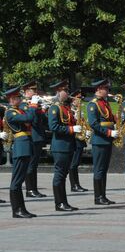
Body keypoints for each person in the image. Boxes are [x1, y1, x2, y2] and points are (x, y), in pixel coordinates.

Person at [4, 86, 38, 218]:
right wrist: (33, 105)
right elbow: (27, 119)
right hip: (21, 146)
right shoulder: (11, 113)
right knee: (17, 180)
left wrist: (35, 108)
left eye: (17, 97)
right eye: (15, 98)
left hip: (26, 145)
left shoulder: (20, 110)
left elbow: (33, 119)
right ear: (11, 100)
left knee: (20, 179)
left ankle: (21, 209)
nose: (17, 99)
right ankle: (17, 210)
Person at [48, 80, 81, 211]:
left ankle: (63, 202)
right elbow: (53, 127)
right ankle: (59, 203)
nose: (68, 93)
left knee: (63, 175)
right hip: (60, 146)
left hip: (68, 145)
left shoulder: (65, 107)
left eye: (67, 91)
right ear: (58, 92)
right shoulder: (55, 107)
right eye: (65, 91)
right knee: (60, 175)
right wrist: (72, 129)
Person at [87, 79, 118, 205]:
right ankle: (98, 197)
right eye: (106, 89)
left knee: (104, 169)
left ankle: (103, 196)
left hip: (106, 140)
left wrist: (116, 120)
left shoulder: (105, 103)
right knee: (99, 169)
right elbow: (94, 124)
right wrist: (109, 132)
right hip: (100, 140)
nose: (108, 91)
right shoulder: (93, 104)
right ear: (99, 89)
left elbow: (109, 119)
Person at [21, 80, 48, 198]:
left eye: (36, 90)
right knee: (30, 165)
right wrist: (35, 106)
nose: (36, 93)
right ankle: (29, 190)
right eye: (33, 91)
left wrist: (44, 110)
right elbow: (30, 119)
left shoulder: (35, 104)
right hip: (30, 136)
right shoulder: (23, 105)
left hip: (37, 137)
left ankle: (34, 189)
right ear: (27, 92)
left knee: (34, 165)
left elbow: (42, 121)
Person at [68, 89, 89, 192]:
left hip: (79, 139)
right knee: (73, 163)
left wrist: (87, 130)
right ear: (73, 99)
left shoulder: (78, 110)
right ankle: (74, 185)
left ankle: (77, 184)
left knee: (76, 163)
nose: (81, 100)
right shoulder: (70, 111)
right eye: (79, 98)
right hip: (74, 140)